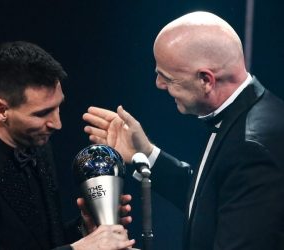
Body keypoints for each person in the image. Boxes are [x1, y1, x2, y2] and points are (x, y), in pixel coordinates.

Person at [82, 11, 284, 250]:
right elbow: (213, 198)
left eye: (167, 77)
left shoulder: (252, 147)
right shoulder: (248, 114)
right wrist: (145, 153)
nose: (159, 84)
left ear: (206, 80)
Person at [0, 41, 135, 250]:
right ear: (0, 110)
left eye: (58, 107)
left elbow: (41, 242)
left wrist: (85, 229)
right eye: (41, 113)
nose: (57, 124)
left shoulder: (38, 147)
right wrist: (79, 249)